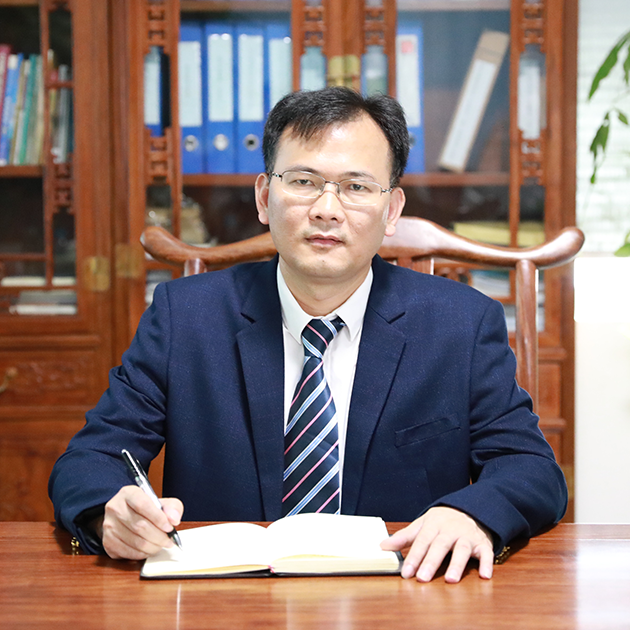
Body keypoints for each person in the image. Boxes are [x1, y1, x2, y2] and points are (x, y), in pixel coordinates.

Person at [49, 86, 567, 583]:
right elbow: (90, 460)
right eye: (302, 181)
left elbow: (530, 468)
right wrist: (109, 510)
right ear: (263, 197)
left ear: (391, 210)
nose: (326, 209)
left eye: (356, 187)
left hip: (401, 596)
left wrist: (471, 513)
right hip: (226, 598)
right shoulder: (185, 317)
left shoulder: (461, 324)